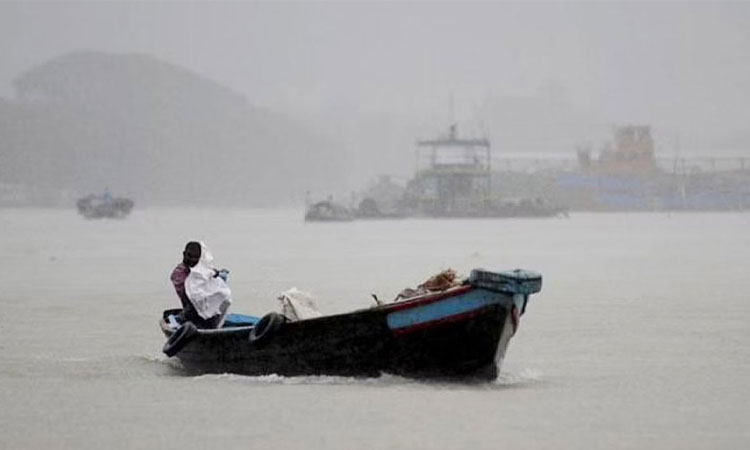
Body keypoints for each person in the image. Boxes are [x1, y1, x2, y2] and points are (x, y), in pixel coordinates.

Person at [170, 241, 232, 329]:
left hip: (207, 314)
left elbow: (210, 274)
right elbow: (188, 294)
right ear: (184, 254)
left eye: (195, 257)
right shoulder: (179, 273)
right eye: (189, 256)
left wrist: (217, 275)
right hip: (191, 313)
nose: (192, 260)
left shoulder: (201, 270)